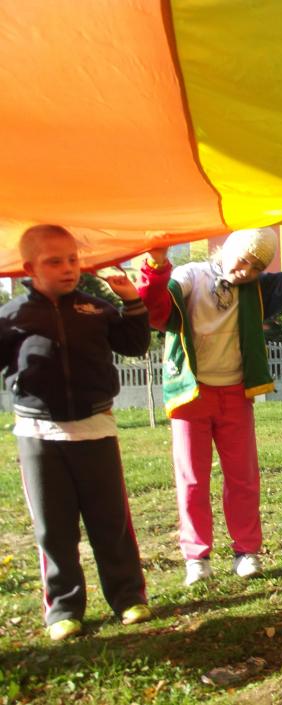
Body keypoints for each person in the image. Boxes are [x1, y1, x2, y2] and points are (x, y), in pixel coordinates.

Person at [137, 213, 282, 585]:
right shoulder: (191, 276)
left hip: (235, 393)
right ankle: (196, 557)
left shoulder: (255, 289)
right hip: (191, 394)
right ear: (228, 249)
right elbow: (157, 311)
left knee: (243, 477)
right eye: (244, 260)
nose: (246, 271)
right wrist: (156, 266)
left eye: (257, 267)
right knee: (192, 479)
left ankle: (246, 551)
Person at [0, 225, 152, 640]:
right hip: (38, 434)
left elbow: (135, 344)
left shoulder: (95, 309)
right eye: (55, 262)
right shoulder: (12, 317)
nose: (68, 268)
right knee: (54, 528)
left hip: (95, 430)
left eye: (73, 259)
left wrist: (131, 301)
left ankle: (128, 597)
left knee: (110, 521)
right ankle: (64, 609)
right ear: (29, 268)